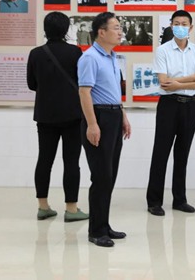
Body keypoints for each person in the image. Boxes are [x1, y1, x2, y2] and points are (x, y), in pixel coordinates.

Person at [147, 10, 195, 217]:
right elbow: (164, 83)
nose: (180, 27)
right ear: (171, 25)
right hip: (169, 105)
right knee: (161, 153)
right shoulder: (163, 51)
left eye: (184, 24)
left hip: (191, 105)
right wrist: (190, 78)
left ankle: (179, 199)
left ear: (191, 28)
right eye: (176, 23)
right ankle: (154, 201)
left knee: (182, 153)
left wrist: (179, 82)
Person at [27, 12, 88, 223]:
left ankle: (43, 206)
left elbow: (31, 84)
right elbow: (82, 82)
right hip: (72, 114)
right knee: (71, 161)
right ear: (66, 29)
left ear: (46, 29)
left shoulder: (36, 53)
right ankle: (71, 208)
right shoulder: (75, 52)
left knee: (44, 159)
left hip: (45, 114)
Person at [78, 12, 132, 247]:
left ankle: (104, 224)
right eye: (116, 28)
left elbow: (112, 91)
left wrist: (123, 116)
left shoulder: (112, 57)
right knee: (101, 176)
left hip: (113, 115)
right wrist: (92, 124)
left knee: (109, 175)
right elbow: (84, 92)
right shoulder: (90, 58)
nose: (120, 32)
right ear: (101, 32)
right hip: (98, 117)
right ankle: (96, 231)